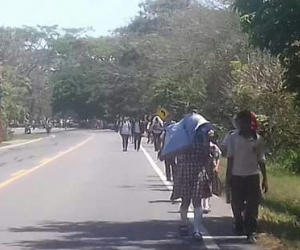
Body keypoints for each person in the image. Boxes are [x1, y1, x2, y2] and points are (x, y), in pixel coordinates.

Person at [226, 110, 268, 242]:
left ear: (251, 123)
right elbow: (230, 158)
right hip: (237, 175)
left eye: (246, 121)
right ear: (238, 123)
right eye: (241, 122)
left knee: (252, 205)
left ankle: (251, 231)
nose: (243, 124)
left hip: (252, 176)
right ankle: (238, 223)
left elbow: (261, 160)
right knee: (237, 204)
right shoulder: (233, 138)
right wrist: (228, 177)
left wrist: (265, 179)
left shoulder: (258, 139)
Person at [171, 119, 213, 241]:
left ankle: (186, 225)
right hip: (197, 172)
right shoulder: (203, 140)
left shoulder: (181, 140)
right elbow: (207, 156)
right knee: (195, 202)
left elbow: (175, 155)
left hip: (186, 172)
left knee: (187, 201)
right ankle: (196, 230)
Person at [202, 142, 221, 213]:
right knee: (205, 185)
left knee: (209, 186)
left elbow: (218, 157)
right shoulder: (202, 146)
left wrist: (216, 166)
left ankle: (207, 203)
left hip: (211, 169)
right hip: (204, 168)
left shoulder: (214, 147)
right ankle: (205, 204)